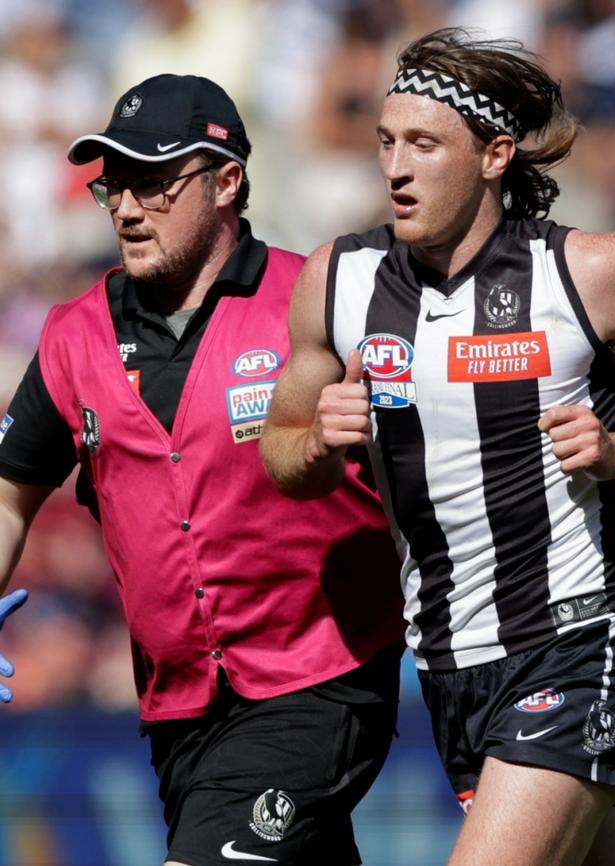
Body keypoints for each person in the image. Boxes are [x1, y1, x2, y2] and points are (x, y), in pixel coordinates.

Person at [260, 27, 615, 866]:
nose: (395, 167)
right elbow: (280, 454)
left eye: (424, 145)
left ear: (494, 154)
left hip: (575, 641)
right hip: (445, 664)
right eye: (386, 143)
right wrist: (319, 443)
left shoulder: (595, 272)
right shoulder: (339, 280)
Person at [0, 73, 406, 866]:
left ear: (227, 181)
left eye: (153, 184)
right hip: (178, 706)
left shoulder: (318, 300)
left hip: (320, 677)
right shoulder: (72, 335)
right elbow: (11, 493)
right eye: (113, 186)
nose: (125, 208)